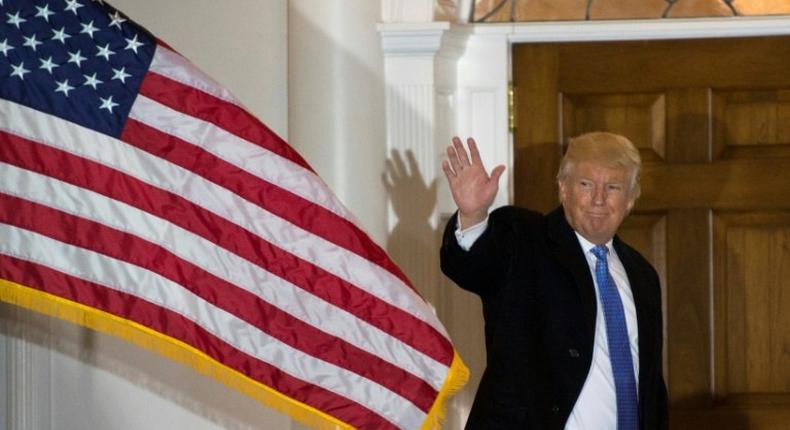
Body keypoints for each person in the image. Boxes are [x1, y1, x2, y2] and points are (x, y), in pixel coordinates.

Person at [440, 132, 668, 429]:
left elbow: (650, 386)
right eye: (586, 184)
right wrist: (473, 217)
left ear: (630, 200)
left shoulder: (642, 274)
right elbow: (472, 266)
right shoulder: (524, 238)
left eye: (613, 187)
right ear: (563, 189)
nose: (598, 199)